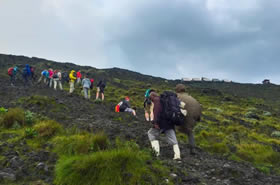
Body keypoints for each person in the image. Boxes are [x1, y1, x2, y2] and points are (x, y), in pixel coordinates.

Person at [147, 92, 181, 160]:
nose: (150, 100)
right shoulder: (165, 100)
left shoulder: (156, 101)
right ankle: (177, 156)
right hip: (169, 122)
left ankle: (156, 154)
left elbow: (156, 112)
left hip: (161, 123)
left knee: (151, 133)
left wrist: (155, 123)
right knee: (173, 139)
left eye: (150, 98)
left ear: (152, 97)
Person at [175, 84, 202, 155]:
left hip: (181, 118)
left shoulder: (176, 97)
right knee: (190, 132)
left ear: (177, 89)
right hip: (192, 119)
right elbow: (199, 110)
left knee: (172, 129)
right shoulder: (193, 99)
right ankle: (192, 148)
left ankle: (174, 147)